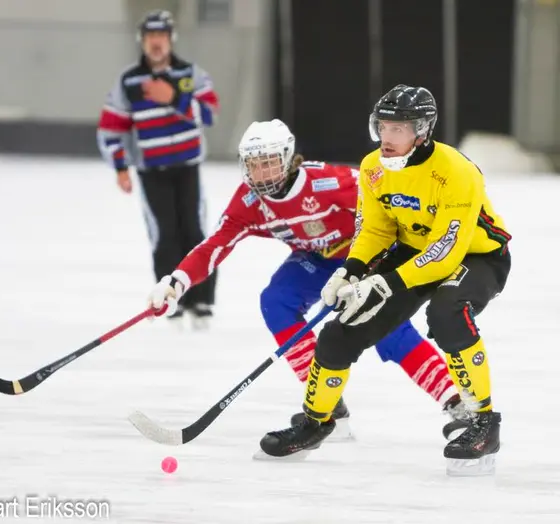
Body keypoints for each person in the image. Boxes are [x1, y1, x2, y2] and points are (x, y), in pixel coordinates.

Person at [148, 118, 471, 440]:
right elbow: (215, 245)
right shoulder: (249, 202)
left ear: (289, 158)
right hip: (317, 259)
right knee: (276, 301)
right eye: (253, 165)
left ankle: (457, 404)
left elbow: (392, 209)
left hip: (367, 256)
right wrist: (177, 281)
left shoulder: (332, 183)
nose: (261, 174)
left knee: (385, 326)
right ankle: (326, 407)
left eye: (270, 163)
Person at [258, 86, 512, 475]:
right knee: (341, 330)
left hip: (474, 255)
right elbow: (375, 231)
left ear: (423, 130)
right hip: (413, 251)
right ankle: (317, 419)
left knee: (448, 314)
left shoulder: (457, 171)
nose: (387, 138)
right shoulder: (374, 168)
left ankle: (483, 422)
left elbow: (446, 249)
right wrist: (351, 270)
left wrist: (383, 284)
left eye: (399, 129)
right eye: (383, 127)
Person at [97, 9, 219, 329]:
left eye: (161, 36)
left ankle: (202, 301)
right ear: (143, 41)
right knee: (165, 236)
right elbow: (112, 127)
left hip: (187, 167)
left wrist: (176, 98)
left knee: (194, 232)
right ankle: (170, 303)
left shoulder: (190, 74)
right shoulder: (129, 81)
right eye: (150, 37)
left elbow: (209, 114)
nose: (156, 43)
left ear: (170, 40)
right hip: (152, 170)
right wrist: (120, 166)